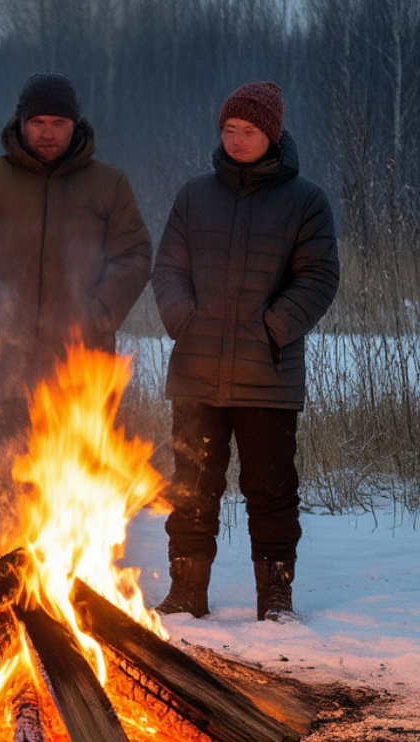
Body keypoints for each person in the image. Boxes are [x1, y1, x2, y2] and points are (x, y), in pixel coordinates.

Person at [151, 81, 339, 622]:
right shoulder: (194, 195)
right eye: (229, 130)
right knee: (192, 486)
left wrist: (272, 329)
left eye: (249, 131)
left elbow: (319, 278)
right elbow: (168, 270)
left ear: (272, 135)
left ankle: (275, 597)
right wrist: (184, 321)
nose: (237, 140)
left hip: (268, 374)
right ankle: (187, 592)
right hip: (197, 371)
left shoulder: (305, 201)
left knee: (271, 490)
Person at [0, 71, 151, 533]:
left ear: (76, 124)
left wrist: (97, 313)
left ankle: (70, 571)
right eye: (37, 122)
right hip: (3, 366)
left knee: (77, 484)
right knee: (6, 485)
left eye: (58, 122)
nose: (47, 132)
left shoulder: (108, 184)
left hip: (81, 366)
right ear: (21, 122)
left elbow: (133, 256)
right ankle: (5, 570)